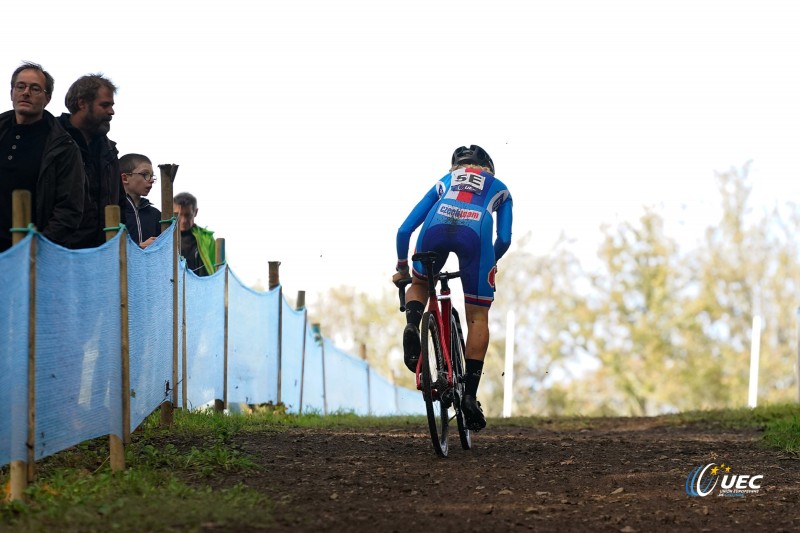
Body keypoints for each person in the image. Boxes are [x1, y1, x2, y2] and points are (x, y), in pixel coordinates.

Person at [393, 145, 513, 431]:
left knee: (421, 282)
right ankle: (469, 396)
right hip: (476, 233)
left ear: (455, 168)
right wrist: (487, 262)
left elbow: (404, 229)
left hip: (435, 226)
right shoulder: (501, 189)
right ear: (489, 169)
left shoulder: (444, 182)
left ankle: (412, 323)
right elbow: (505, 238)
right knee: (477, 317)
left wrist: (400, 267)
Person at [0, 62, 84, 252]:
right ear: (11, 92)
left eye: (35, 88)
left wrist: (39, 246)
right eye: (20, 86)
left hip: (34, 255)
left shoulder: (63, 146)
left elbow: (70, 208)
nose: (26, 92)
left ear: (47, 98)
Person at [58, 74, 125, 249]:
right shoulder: (52, 141)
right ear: (82, 103)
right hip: (61, 253)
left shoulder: (109, 151)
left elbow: (121, 205)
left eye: (111, 105)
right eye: (104, 105)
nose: (111, 112)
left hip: (103, 254)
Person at [120, 153, 161, 248]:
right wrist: (139, 248)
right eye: (145, 174)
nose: (150, 180)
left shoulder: (156, 215)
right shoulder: (114, 212)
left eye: (152, 176)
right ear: (125, 178)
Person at [173, 192, 216, 276]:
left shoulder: (207, 239)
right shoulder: (165, 237)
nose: (183, 220)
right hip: (173, 286)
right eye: (179, 215)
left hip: (200, 286)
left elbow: (217, 269)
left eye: (187, 215)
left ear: (195, 212)